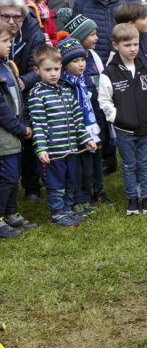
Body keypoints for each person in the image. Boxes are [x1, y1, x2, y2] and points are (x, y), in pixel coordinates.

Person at [28, 46, 96, 226]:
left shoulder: (66, 91)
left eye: (56, 69)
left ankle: (67, 209)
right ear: (37, 70)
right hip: (52, 153)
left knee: (70, 182)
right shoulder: (37, 94)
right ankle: (57, 213)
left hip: (70, 149)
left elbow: (77, 120)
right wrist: (41, 148)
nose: (53, 74)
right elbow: (39, 124)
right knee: (56, 185)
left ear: (61, 68)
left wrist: (86, 139)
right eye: (47, 70)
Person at [98, 23, 147, 216]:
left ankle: (146, 197)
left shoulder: (145, 69)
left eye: (135, 44)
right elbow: (104, 101)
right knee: (129, 164)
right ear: (116, 45)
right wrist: (118, 118)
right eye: (127, 45)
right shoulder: (109, 74)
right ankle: (132, 198)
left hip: (145, 127)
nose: (132, 49)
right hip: (124, 130)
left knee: (145, 163)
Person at [56, 9, 111, 205]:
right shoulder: (69, 77)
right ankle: (82, 196)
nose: (97, 37)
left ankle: (98, 190)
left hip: (95, 117)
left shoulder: (94, 58)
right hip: (78, 127)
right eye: (92, 34)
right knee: (81, 164)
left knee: (96, 159)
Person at [0, 0, 46, 203]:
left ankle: (31, 187)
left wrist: (22, 82)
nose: (12, 22)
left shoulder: (33, 33)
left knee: (29, 137)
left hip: (25, 92)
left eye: (17, 17)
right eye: (5, 16)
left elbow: (39, 67)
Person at [57, 36, 101, 217]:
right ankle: (77, 199)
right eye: (75, 61)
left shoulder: (84, 81)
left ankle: (86, 196)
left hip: (89, 132)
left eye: (83, 59)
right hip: (73, 133)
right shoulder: (63, 84)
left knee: (88, 168)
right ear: (65, 64)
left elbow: (94, 107)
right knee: (76, 169)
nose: (81, 64)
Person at [0, 20, 36, 236]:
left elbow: (17, 101)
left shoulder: (7, 65)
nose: (9, 45)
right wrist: (20, 129)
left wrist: (25, 123)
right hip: (5, 136)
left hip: (14, 133)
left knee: (13, 176)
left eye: (10, 41)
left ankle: (11, 213)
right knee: (7, 176)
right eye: (4, 41)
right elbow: (1, 110)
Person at [73, 0, 134, 65]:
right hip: (93, 65)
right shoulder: (81, 3)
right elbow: (76, 40)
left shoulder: (130, 0)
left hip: (124, 63)